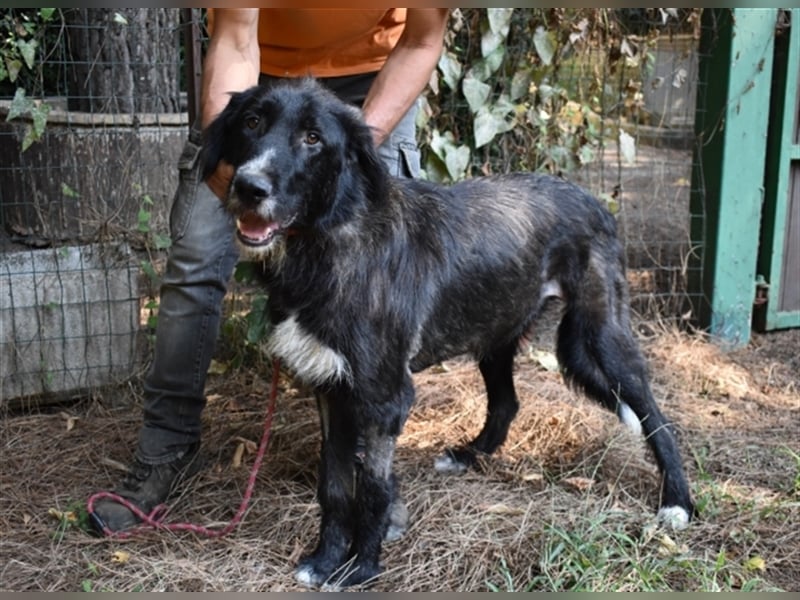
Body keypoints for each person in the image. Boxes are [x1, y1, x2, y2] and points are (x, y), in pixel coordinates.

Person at [89, 8, 449, 533]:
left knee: (371, 284)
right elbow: (235, 39)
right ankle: (165, 450)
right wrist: (229, 170)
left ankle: (364, 477)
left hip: (373, 85)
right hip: (257, 89)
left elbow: (421, 41)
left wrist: (347, 152)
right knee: (194, 260)